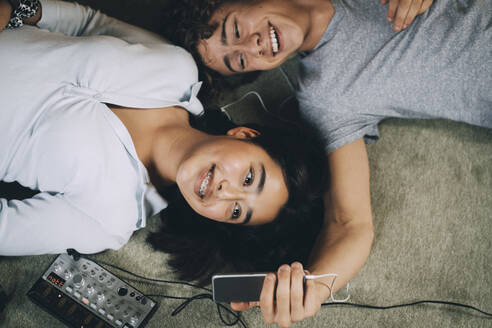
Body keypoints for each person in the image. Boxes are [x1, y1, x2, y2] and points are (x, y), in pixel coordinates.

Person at [165, 0, 491, 326]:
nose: (253, 46)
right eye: (239, 61)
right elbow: (350, 223)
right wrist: (313, 287)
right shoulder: (327, 97)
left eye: (235, 29)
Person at [0, 0, 327, 288]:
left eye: (237, 211)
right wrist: (20, 10)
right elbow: (91, 23)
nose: (225, 193)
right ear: (244, 135)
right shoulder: (178, 69)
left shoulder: (110, 218)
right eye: (248, 178)